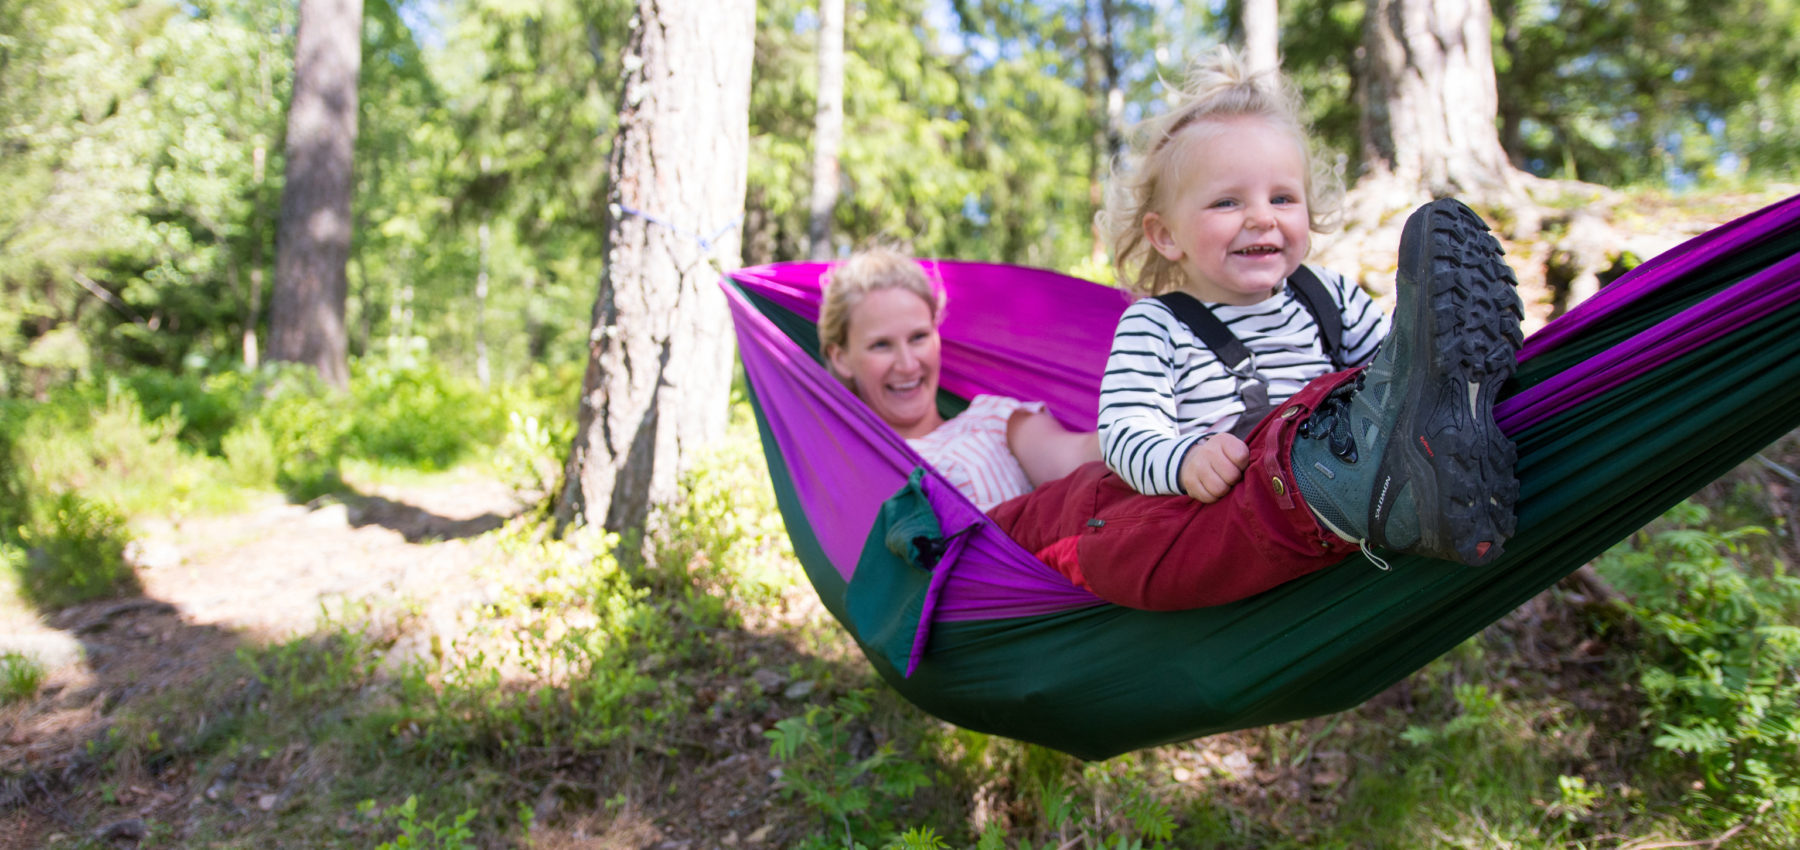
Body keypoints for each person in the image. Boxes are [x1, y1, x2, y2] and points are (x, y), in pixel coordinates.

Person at [982, 46, 1524, 609]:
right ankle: (1344, 487)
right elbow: (1125, 433)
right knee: (1135, 543)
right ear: (1165, 235)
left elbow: (1403, 375)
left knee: (1383, 386)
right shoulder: (1157, 324)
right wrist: (1185, 459)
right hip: (1224, 510)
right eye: (1226, 202)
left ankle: (1446, 431)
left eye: (1283, 197)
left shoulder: (1328, 296)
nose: (1262, 217)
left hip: (1337, 488)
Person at [819, 248, 1101, 512]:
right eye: (881, 345)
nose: (907, 364)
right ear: (841, 358)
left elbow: (1076, 460)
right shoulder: (844, 468)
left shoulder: (992, 421)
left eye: (918, 337)